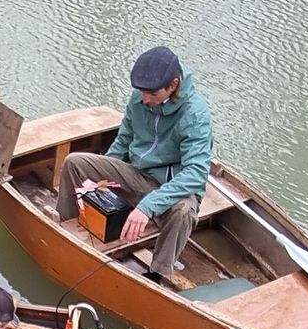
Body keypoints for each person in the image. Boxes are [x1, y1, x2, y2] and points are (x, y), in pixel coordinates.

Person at [54, 45, 215, 286]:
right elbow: (124, 140)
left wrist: (147, 207)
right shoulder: (140, 98)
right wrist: (102, 181)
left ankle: (157, 274)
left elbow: (196, 174)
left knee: (184, 211)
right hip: (137, 173)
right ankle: (64, 225)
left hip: (171, 188)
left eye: (152, 93)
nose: (145, 99)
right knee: (75, 163)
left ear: (173, 85)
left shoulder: (195, 115)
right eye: (141, 92)